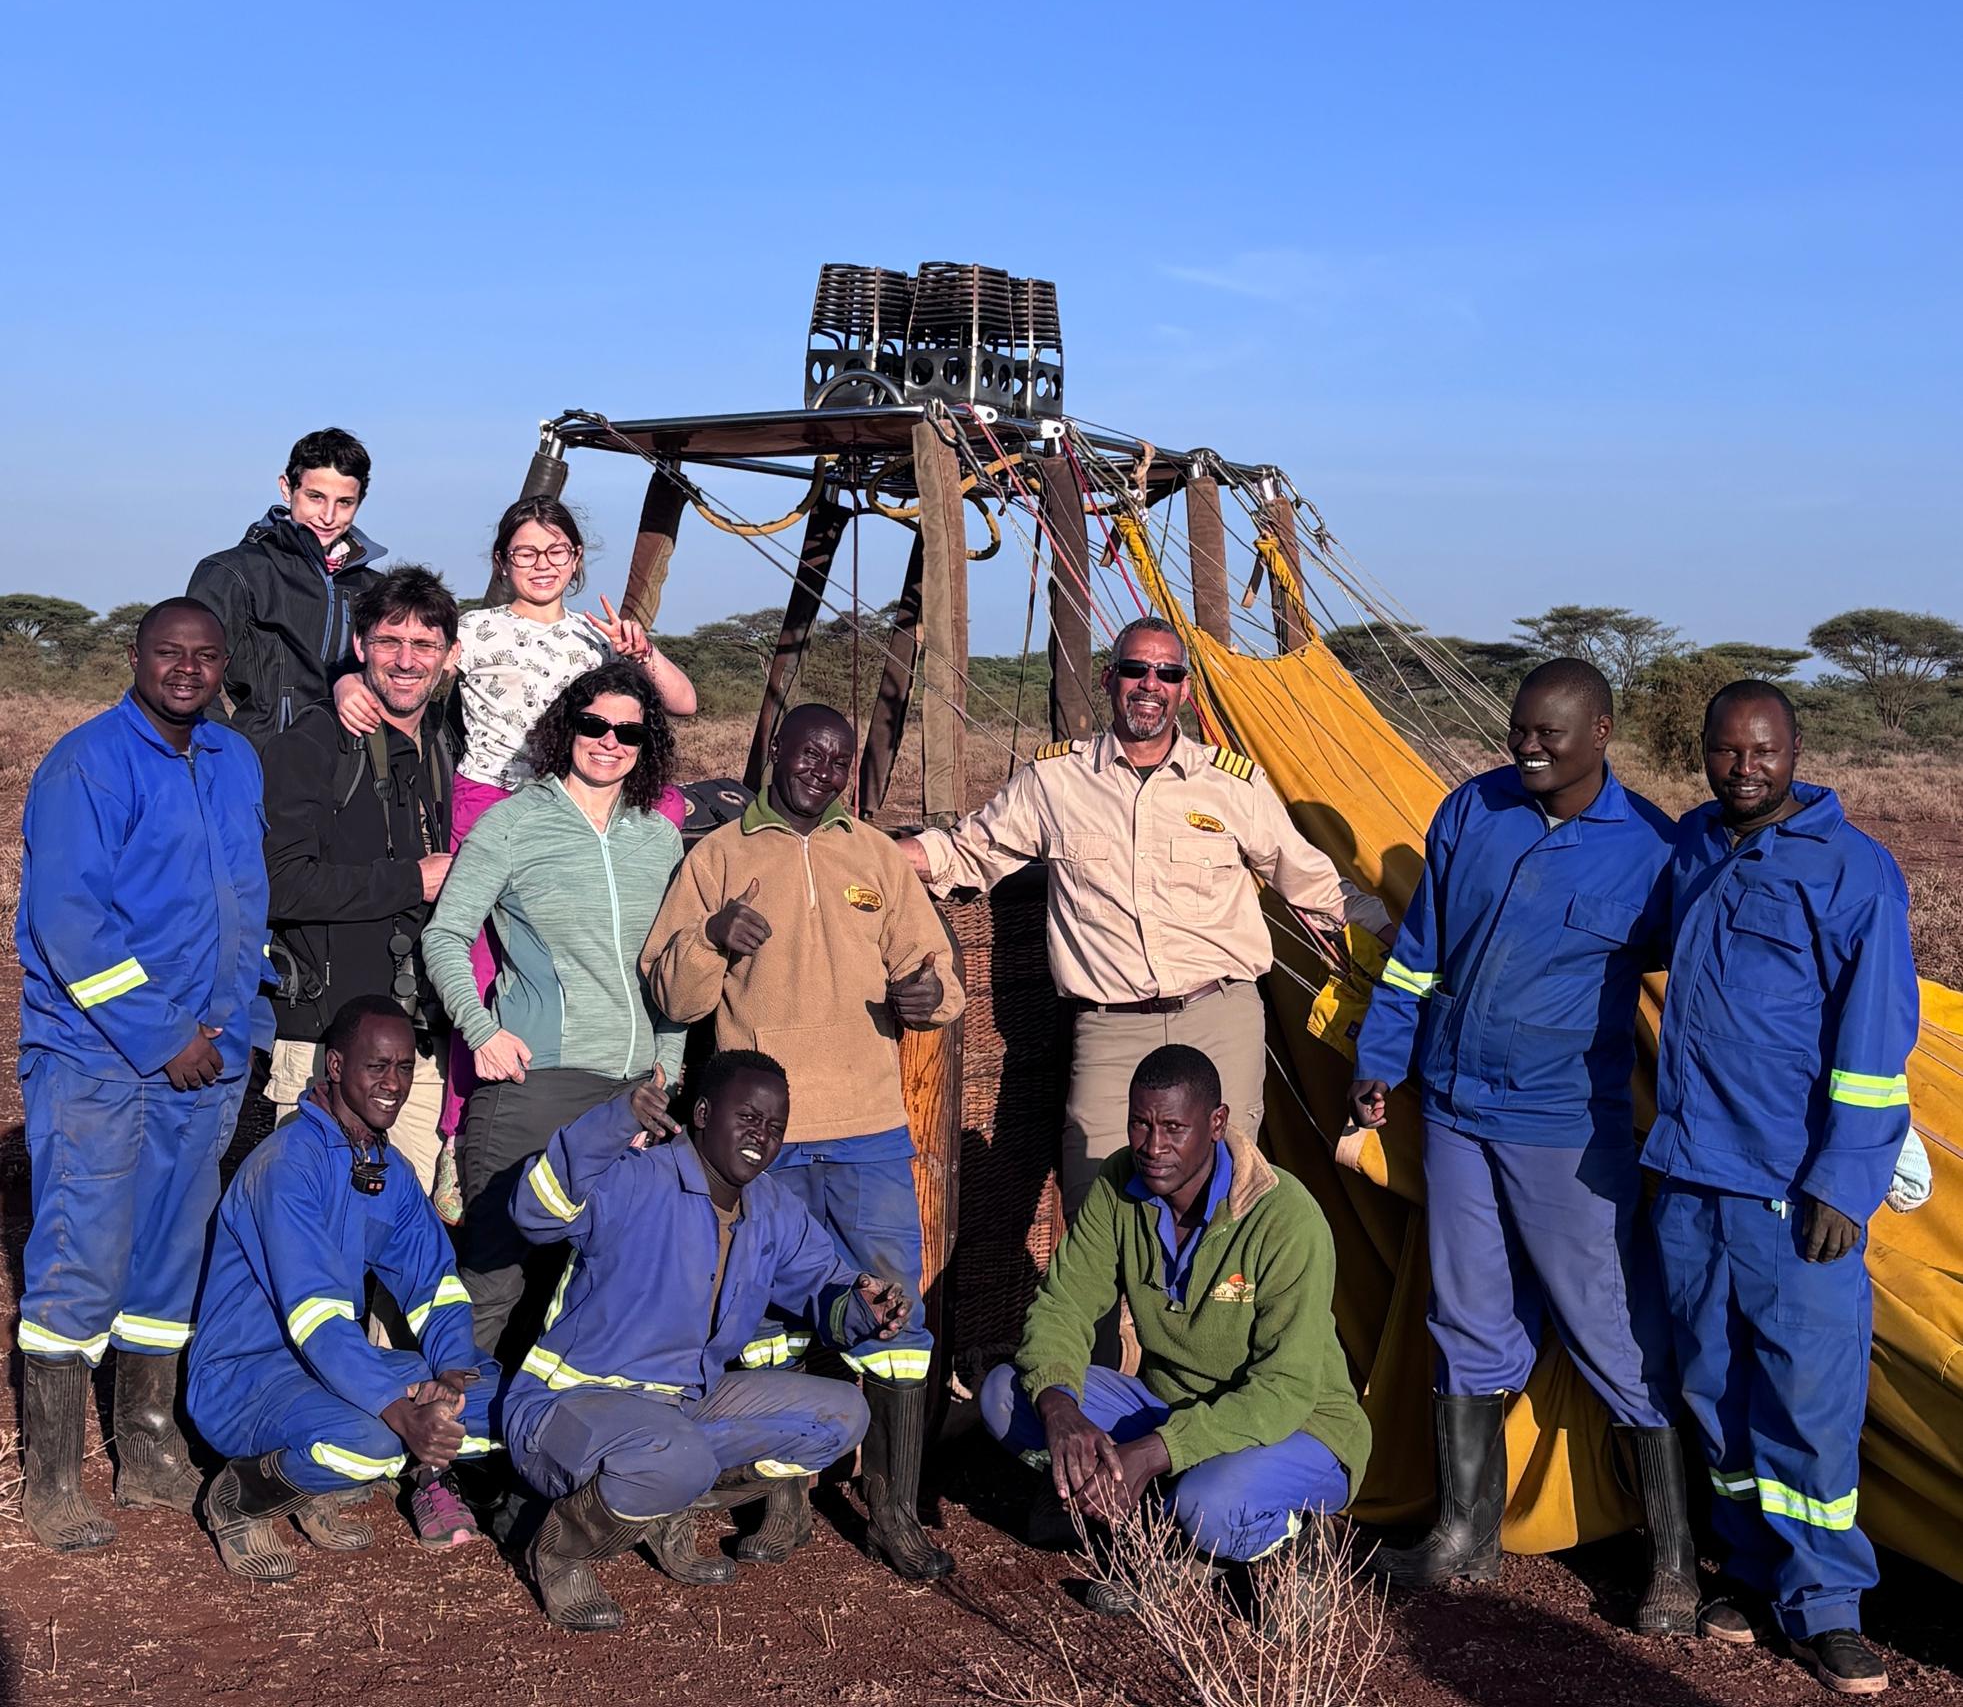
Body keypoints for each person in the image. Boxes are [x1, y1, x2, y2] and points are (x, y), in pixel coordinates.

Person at [1347, 658, 1694, 1629]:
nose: (1527, 746)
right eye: (1518, 729)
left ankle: (1673, 1563)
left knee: (1613, 1327)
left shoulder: (1650, 851)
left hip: (1566, 1128)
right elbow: (1419, 952)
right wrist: (1381, 1060)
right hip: (1456, 1109)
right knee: (1465, 1315)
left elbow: (1697, 980)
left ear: (1603, 732)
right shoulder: (1471, 812)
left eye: (1550, 732)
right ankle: (1466, 1532)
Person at [645, 703, 965, 1581]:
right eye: (808, 752)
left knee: (895, 1313)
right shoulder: (717, 857)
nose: (822, 769)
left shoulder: (871, 855)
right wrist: (713, 939)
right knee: (764, 1316)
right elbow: (672, 997)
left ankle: (894, 1512)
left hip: (865, 1129)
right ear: (773, 750)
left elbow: (939, 977)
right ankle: (781, 1505)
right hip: (761, 1145)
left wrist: (923, 998)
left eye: (839, 758)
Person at [1643, 682, 1917, 1697]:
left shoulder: (1852, 870)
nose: (1743, 767)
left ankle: (1830, 1607)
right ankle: (1750, 1575)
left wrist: (1846, 1178)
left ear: (1795, 749)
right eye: (1724, 750)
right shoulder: (1693, 847)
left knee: (1808, 1400)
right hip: (1688, 1181)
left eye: (1762, 750)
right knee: (1715, 1392)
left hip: (1791, 1192)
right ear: (1704, 754)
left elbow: (1874, 1048)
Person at [901, 617, 1347, 1212]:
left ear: (1184, 690)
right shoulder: (1055, 782)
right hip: (1109, 1029)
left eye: (1167, 673)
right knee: (1097, 1209)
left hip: (1219, 1018)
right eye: (1136, 669)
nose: (1150, 684)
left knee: (1223, 1206)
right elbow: (966, 853)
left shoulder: (1232, 786)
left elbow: (1310, 882)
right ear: (1110, 679)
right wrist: (862, 854)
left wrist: (1395, 934)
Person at [338, 495, 697, 1220]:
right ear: (502, 563)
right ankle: (457, 1137)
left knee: (662, 830)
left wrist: (638, 649)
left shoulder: (596, 639)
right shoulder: (474, 629)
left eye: (555, 552)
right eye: (525, 553)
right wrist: (347, 682)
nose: (541, 565)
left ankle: (641, 1068)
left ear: (575, 561)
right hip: (492, 802)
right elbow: (405, 675)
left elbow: (681, 703)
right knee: (478, 972)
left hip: (575, 804)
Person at [15, 599, 270, 1552]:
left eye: (205, 656)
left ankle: (148, 1443)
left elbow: (243, 901)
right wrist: (163, 1034)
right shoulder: (87, 763)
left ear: (223, 665)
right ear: (135, 656)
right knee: (86, 1248)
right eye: (169, 653)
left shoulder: (232, 760)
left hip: (207, 1056)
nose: (187, 670)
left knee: (169, 1252)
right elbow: (69, 924)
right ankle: (52, 1478)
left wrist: (238, 1014)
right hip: (101, 1060)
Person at [506, 1047, 910, 1631]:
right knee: (677, 1454)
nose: (762, 1136)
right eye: (747, 1117)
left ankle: (664, 1508)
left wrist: (863, 1310)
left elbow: (826, 1282)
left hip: (682, 1406)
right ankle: (563, 1551)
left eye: (775, 1127)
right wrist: (615, 1120)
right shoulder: (637, 1177)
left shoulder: (772, 1206)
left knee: (841, 1416)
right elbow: (535, 1211)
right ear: (699, 1112)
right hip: (565, 1407)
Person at [980, 1045, 1369, 1612]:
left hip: (1295, 1428)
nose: (1152, 1147)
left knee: (1209, 1500)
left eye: (1173, 1128)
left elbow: (1283, 1390)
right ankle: (1157, 1520)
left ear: (1217, 1124)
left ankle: (1294, 1538)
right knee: (1005, 1395)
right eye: (1139, 1123)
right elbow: (1063, 1303)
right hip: (1172, 1410)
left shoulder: (1285, 1218)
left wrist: (1155, 1451)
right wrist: (1061, 1409)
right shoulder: (1119, 1185)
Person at [423, 656, 689, 1356]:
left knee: (600, 1283)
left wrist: (665, 1071)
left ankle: (544, 1449)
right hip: (532, 1087)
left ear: (646, 744)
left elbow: (670, 966)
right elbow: (446, 935)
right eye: (592, 723)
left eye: (627, 733)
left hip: (630, 1093)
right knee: (495, 1279)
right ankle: (445, 1453)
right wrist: (480, 1031)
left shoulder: (657, 838)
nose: (608, 741)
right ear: (564, 727)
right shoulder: (513, 824)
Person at [188, 997, 500, 1575]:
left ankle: (313, 1476)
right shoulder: (287, 1165)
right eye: (376, 1066)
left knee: (505, 1404)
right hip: (246, 1375)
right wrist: (397, 1409)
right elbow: (318, 1322)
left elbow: (434, 1283)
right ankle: (242, 1496)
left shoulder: (386, 1167)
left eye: (405, 1067)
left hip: (330, 1369)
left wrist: (452, 1369)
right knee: (374, 1443)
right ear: (334, 1066)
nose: (394, 1084)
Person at [260, 565, 461, 1190]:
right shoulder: (315, 743)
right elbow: (280, 884)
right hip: (325, 1039)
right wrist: (410, 881)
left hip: (419, 1050)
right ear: (359, 646)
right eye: (388, 642)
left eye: (424, 645)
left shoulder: (446, 744)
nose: (406, 661)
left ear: (449, 656)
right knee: (313, 1228)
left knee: (409, 1231)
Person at [188, 427, 385, 750]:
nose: (328, 516)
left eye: (345, 502)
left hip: (353, 769)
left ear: (360, 501)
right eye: (315, 497)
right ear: (286, 488)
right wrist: (227, 757)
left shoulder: (374, 588)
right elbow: (191, 675)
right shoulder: (233, 572)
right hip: (264, 766)